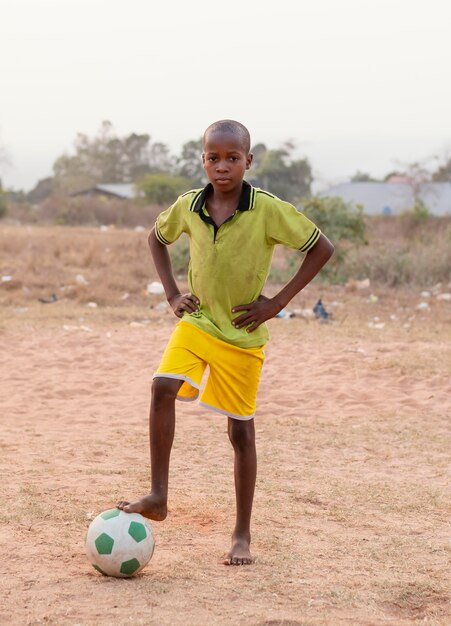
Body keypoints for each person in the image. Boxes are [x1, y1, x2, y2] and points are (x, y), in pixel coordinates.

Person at [118, 120, 334, 565]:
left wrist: (276, 303)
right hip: (198, 323)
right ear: (202, 160)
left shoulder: (268, 210)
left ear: (248, 162)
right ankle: (158, 495)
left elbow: (321, 248)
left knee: (240, 431)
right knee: (162, 387)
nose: (222, 167)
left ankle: (241, 534)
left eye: (232, 158)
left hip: (242, 334)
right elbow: (156, 240)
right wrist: (173, 293)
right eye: (213, 158)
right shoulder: (188, 206)